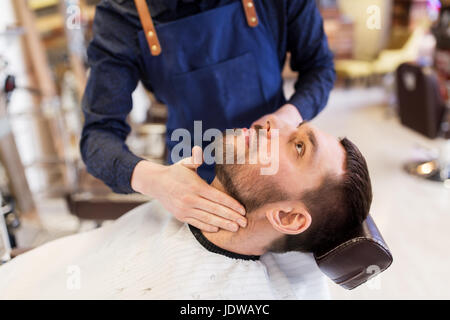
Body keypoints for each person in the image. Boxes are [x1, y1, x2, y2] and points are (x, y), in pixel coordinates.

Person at [0, 118, 372, 299]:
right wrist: (148, 178)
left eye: (298, 147)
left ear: (288, 217)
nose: (273, 121)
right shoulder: (171, 203)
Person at [80, 0, 336, 233]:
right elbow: (98, 135)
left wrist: (288, 115)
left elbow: (320, 68)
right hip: (192, 181)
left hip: (273, 176)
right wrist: (157, 181)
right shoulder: (122, 15)